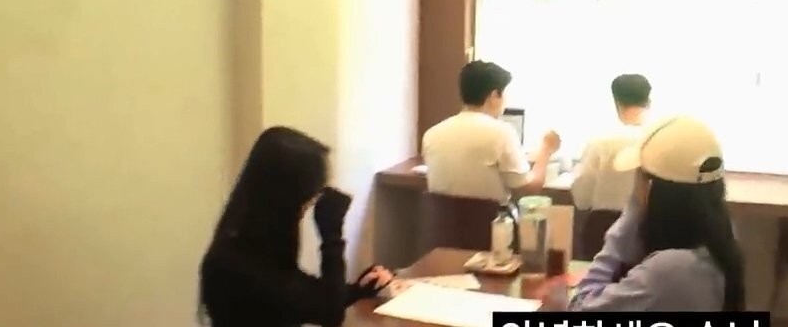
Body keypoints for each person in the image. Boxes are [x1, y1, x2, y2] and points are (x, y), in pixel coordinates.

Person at [199, 126, 393, 327]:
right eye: (309, 197)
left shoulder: (256, 247)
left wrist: (359, 289)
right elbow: (329, 314)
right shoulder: (235, 266)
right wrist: (332, 236)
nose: (308, 207)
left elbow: (313, 299)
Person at [562, 116, 745, 312]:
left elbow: (580, 307)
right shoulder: (717, 243)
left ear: (650, 188)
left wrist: (623, 229)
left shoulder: (670, 269)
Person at [423, 60, 561, 202]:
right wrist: (546, 149)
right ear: (494, 95)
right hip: (488, 217)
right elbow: (530, 188)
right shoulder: (501, 133)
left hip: (441, 217)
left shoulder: (431, 135)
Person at [570, 74, 653, 211]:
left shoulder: (599, 142)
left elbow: (582, 200)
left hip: (605, 222)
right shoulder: (660, 140)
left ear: (616, 102)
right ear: (648, 102)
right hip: (650, 223)